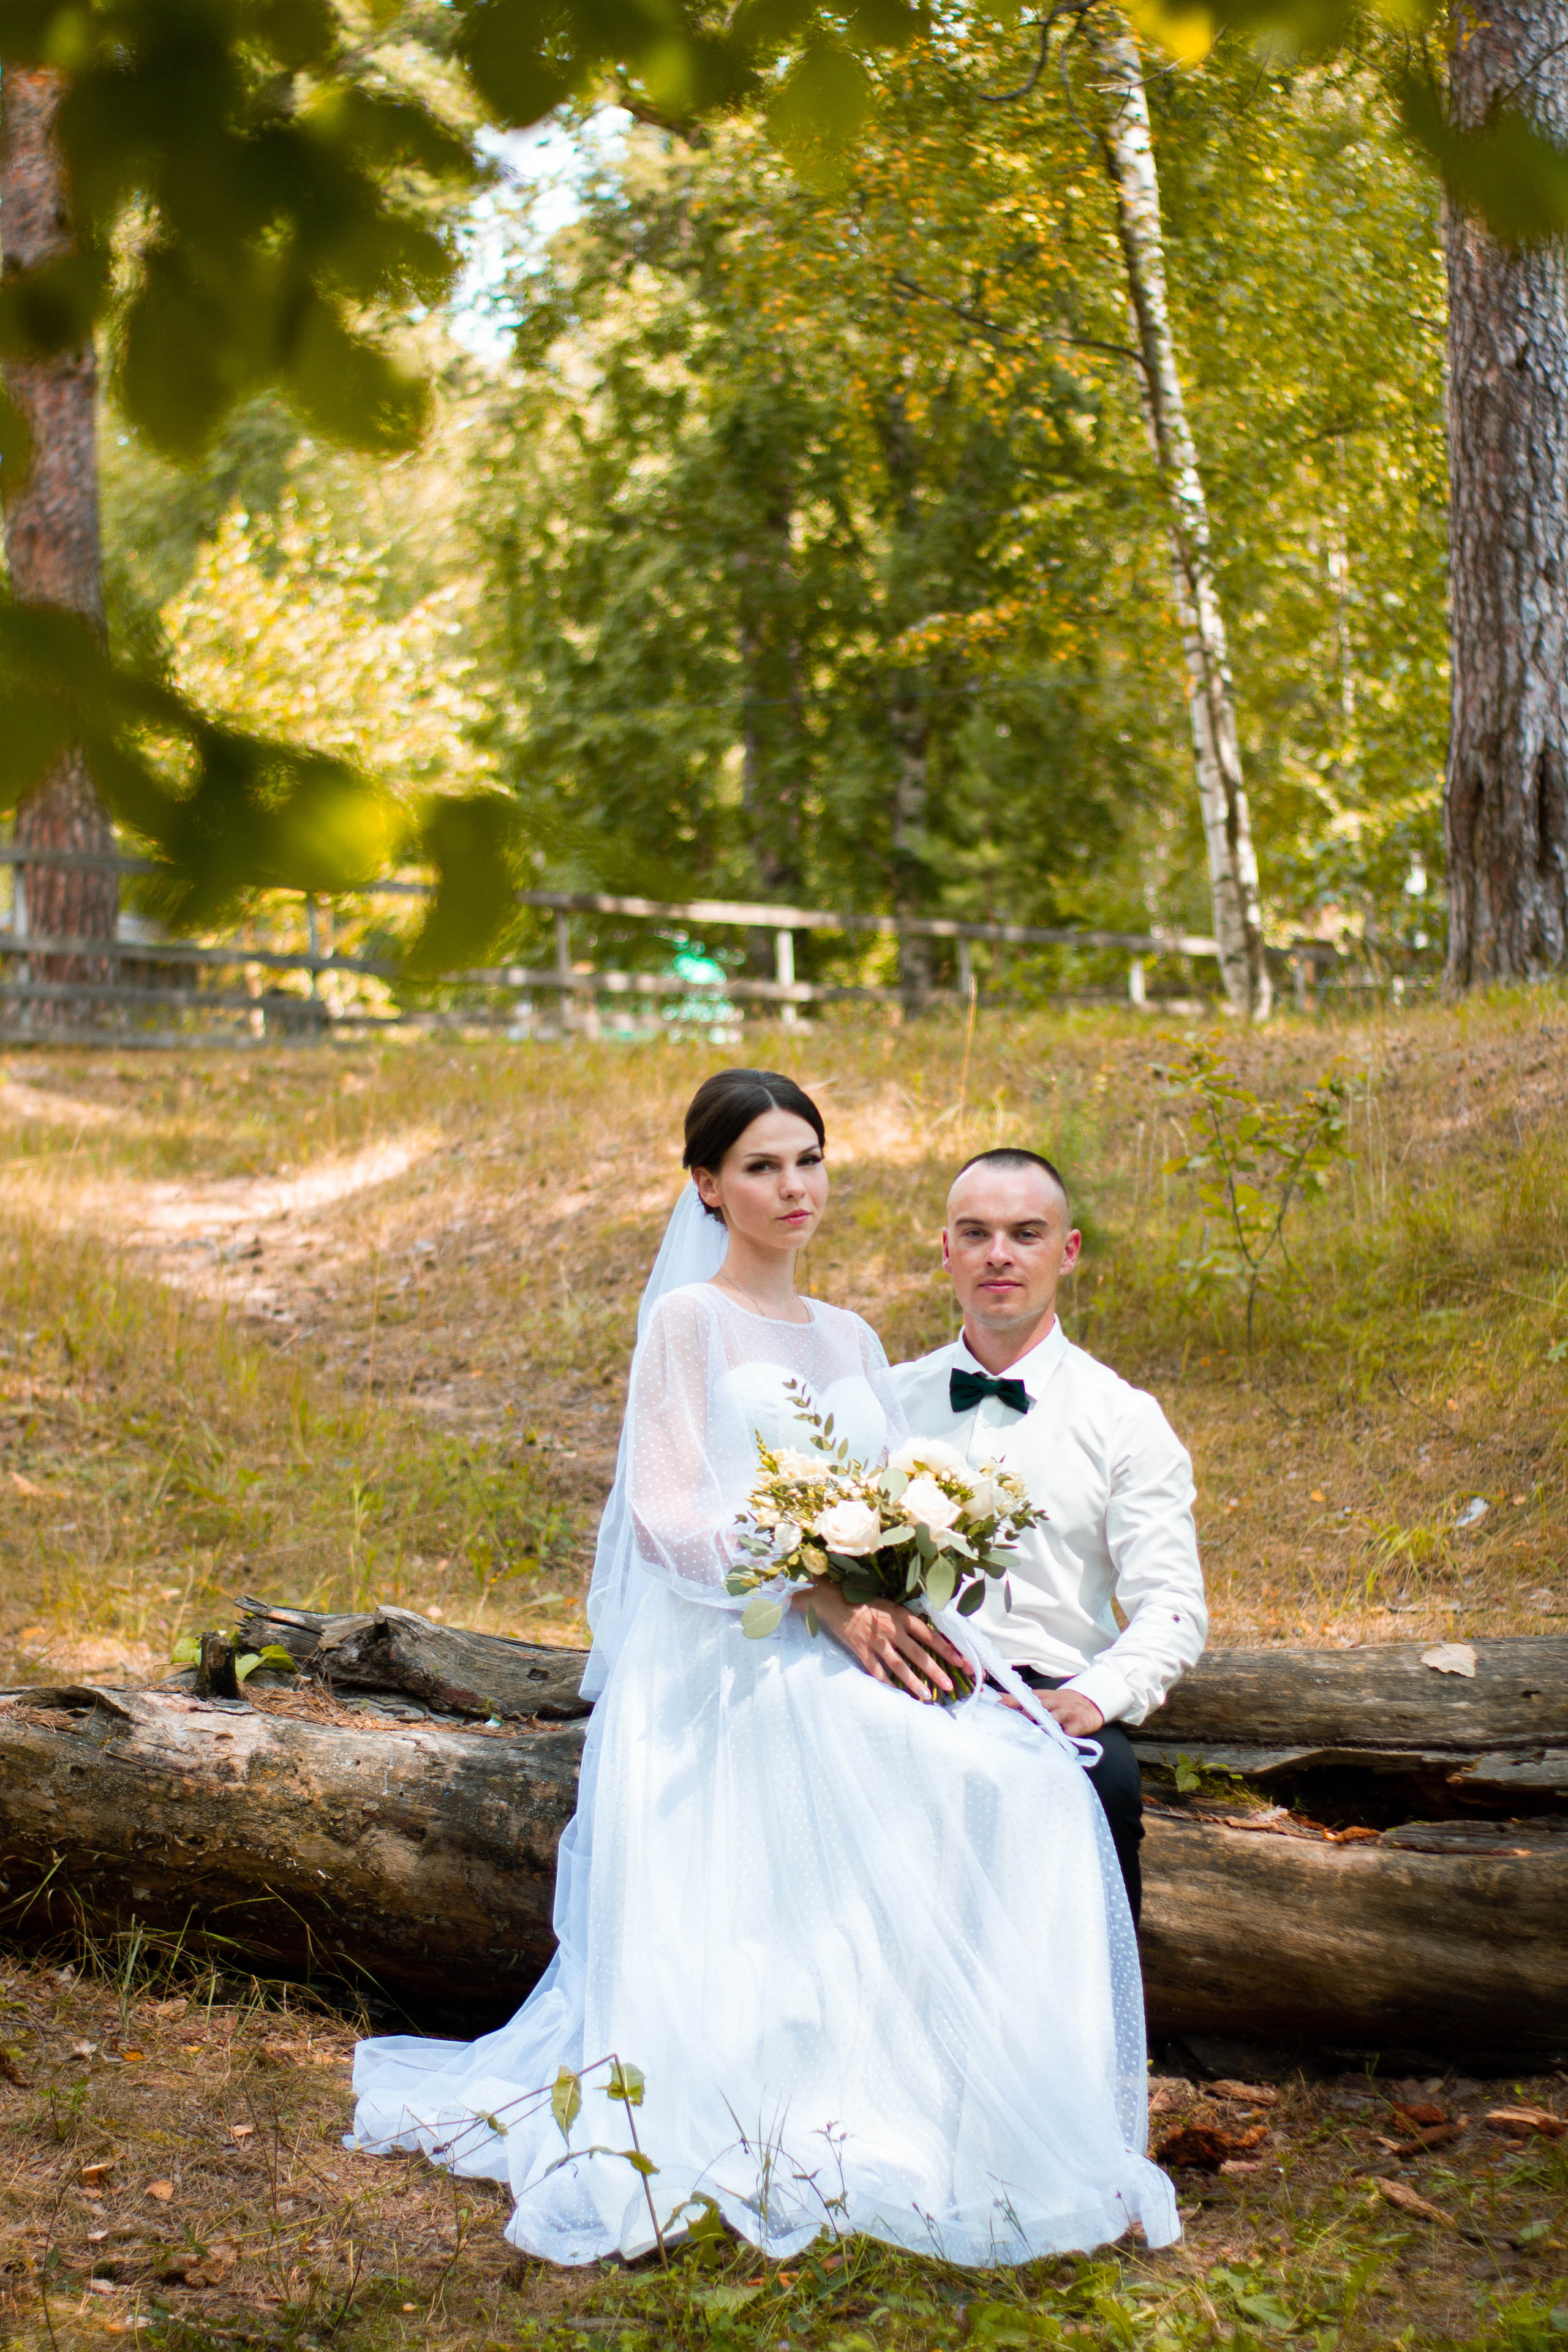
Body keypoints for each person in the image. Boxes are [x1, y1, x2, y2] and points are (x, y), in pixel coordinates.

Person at [350, 1073, 1177, 2267]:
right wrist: (808, 1583)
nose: (792, 1188)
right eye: (759, 1167)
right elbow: (666, 1518)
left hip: (843, 1632)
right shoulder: (688, 1321)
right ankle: (807, 2085)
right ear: (705, 1185)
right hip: (725, 1656)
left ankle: (973, 2085)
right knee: (936, 1771)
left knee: (1030, 1777)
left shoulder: (850, 1336)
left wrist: (902, 1565)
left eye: (807, 1161)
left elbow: (893, 1498)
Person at [892, 1148, 1207, 1923]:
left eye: (1025, 1233)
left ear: (1067, 1252)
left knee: (1104, 1791)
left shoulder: (1123, 1419)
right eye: (975, 1233)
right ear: (946, 1251)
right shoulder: (885, 1401)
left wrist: (1092, 1698)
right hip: (899, 1689)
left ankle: (1086, 2041)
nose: (998, 1254)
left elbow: (1171, 1603)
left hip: (1046, 1695)